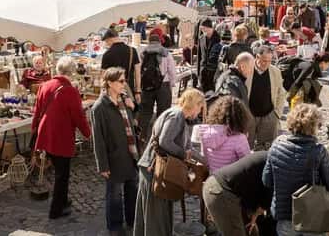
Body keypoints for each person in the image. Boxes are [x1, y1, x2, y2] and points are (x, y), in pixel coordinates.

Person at [262, 103, 329, 236]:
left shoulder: (276, 147)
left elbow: (266, 181)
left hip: (285, 216)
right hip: (311, 217)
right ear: (315, 126)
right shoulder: (318, 150)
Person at [133, 88, 206, 236]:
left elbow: (188, 148)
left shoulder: (179, 116)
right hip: (154, 169)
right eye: (200, 107)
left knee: (154, 213)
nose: (199, 111)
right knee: (155, 215)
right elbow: (165, 142)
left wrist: (205, 160)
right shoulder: (176, 115)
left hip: (157, 169)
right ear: (194, 104)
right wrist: (183, 154)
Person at [32, 57, 92, 219]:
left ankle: (63, 201)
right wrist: (87, 133)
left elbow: (37, 110)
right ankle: (56, 210)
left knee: (61, 172)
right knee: (62, 175)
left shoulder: (45, 85)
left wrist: (34, 129)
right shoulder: (70, 90)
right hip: (61, 136)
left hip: (46, 133)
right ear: (71, 72)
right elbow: (78, 116)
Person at [91, 68, 140, 236]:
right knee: (114, 195)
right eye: (120, 81)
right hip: (114, 157)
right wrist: (102, 165)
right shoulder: (99, 107)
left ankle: (133, 220)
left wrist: (133, 107)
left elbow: (133, 125)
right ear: (110, 83)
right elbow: (98, 139)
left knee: (132, 190)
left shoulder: (124, 100)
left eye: (124, 80)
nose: (124, 84)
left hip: (131, 154)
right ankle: (115, 227)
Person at [203, 151, 273, 236]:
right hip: (221, 191)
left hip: (225, 189)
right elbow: (266, 200)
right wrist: (256, 215)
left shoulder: (272, 158)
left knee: (248, 230)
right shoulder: (275, 164)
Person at [197, 95, 252, 172]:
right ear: (240, 116)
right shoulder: (239, 138)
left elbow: (206, 160)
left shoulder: (206, 133)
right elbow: (247, 164)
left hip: (212, 178)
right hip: (231, 181)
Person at [139, 33, 176, 144]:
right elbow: (172, 71)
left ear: (149, 41)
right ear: (160, 42)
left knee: (145, 112)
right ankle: (160, 138)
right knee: (163, 113)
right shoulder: (166, 53)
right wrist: (172, 85)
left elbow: (139, 70)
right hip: (163, 85)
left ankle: (141, 136)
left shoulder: (143, 53)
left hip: (147, 86)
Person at [246, 46, 286, 149]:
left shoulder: (275, 71)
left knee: (266, 148)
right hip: (249, 115)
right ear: (257, 57)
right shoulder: (247, 70)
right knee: (246, 146)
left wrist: (277, 113)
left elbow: (281, 93)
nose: (266, 64)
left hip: (268, 115)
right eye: (264, 60)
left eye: (269, 61)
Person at [101, 29, 142, 104]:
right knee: (130, 113)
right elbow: (138, 73)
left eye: (106, 42)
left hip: (113, 92)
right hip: (129, 90)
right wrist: (138, 91)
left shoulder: (107, 54)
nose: (107, 44)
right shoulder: (132, 50)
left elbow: (103, 77)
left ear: (110, 39)